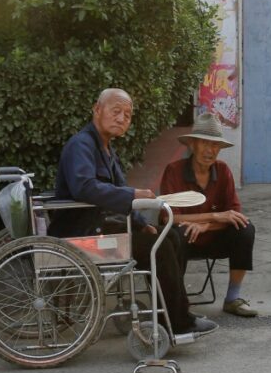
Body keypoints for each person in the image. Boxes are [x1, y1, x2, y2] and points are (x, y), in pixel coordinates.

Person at [48, 88, 218, 337]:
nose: (121, 119)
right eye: (116, 111)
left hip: (101, 225)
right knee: (156, 246)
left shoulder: (106, 149)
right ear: (97, 110)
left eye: (127, 115)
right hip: (83, 233)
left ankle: (171, 313)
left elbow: (118, 191)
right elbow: (83, 187)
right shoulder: (81, 145)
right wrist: (134, 196)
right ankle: (178, 322)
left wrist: (140, 223)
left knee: (172, 235)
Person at [159, 113, 258, 317]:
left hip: (213, 238)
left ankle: (232, 298)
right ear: (192, 145)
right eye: (205, 143)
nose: (210, 150)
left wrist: (206, 225)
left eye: (215, 145)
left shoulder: (223, 171)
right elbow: (169, 218)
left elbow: (233, 215)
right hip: (184, 240)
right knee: (177, 233)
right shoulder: (174, 171)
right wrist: (213, 217)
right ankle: (178, 304)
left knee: (245, 228)